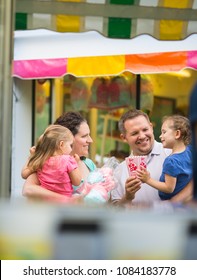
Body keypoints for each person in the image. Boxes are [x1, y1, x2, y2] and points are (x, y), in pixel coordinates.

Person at [110, 109, 193, 207]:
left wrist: (175, 202)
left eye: (145, 129)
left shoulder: (173, 154)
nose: (141, 136)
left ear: (151, 127)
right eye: (134, 133)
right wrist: (127, 197)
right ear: (124, 138)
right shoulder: (120, 171)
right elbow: (114, 209)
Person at [22, 111, 96, 202]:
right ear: (64, 139)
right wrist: (67, 199)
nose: (90, 140)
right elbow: (28, 190)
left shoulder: (89, 164)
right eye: (84, 136)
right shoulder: (46, 163)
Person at [136, 115, 192, 200]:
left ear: (177, 134)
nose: (160, 136)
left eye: (164, 132)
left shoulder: (171, 161)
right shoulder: (190, 151)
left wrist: (148, 180)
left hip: (170, 204)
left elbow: (169, 188)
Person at [22, 124, 82, 197]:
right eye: (70, 145)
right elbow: (77, 182)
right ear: (61, 144)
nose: (71, 149)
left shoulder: (41, 160)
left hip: (46, 202)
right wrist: (76, 164)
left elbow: (24, 174)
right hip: (65, 202)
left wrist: (32, 156)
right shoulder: (68, 160)